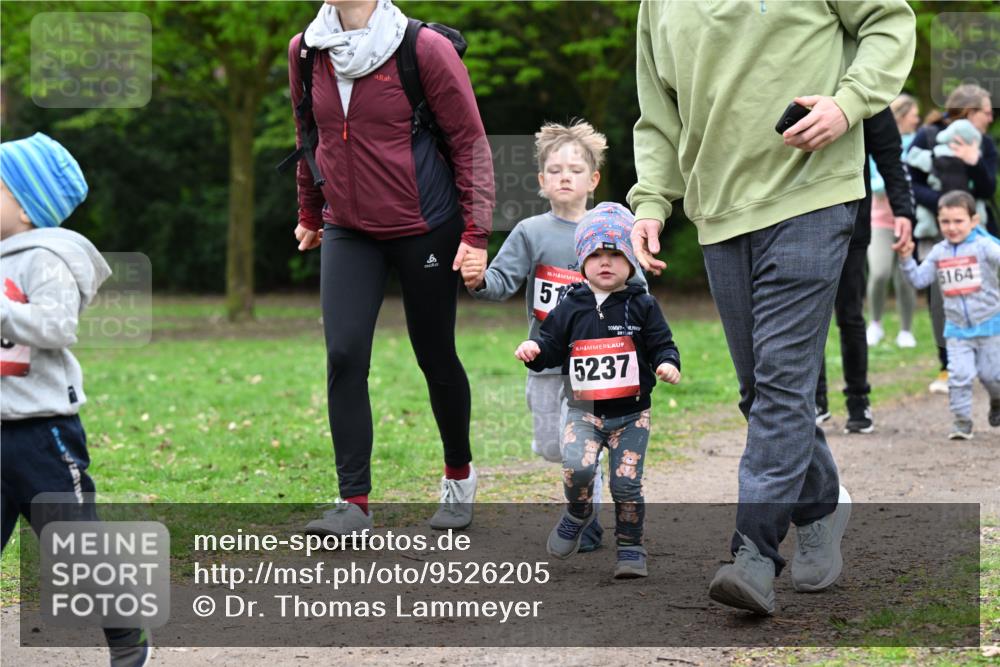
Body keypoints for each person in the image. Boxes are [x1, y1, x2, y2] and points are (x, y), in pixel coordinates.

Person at [628, 0, 915, 614]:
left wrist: (848, 101)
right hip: (719, 211)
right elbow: (658, 114)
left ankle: (752, 554)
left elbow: (890, 21)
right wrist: (651, 200)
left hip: (811, 190)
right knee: (760, 391)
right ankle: (820, 505)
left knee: (782, 385)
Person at [289, 0, 495, 534]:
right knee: (344, 352)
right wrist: (310, 211)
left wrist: (476, 234)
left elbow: (470, 142)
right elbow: (308, 134)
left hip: (425, 225)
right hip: (348, 228)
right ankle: (353, 502)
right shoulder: (307, 50)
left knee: (434, 354)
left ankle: (458, 476)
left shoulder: (422, 49)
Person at [0, 133, 150, 666]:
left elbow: (58, 326)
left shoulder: (48, 258)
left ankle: (127, 639)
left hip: (43, 433)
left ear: (23, 206)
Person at [462, 120, 647, 552]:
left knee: (579, 449)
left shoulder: (611, 230)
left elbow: (637, 288)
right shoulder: (531, 231)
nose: (566, 176)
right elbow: (501, 281)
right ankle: (583, 486)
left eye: (576, 169)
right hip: (545, 359)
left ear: (593, 179)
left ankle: (589, 519)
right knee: (551, 446)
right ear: (542, 180)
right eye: (556, 169)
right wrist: (477, 280)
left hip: (597, 364)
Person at [514, 202, 680, 579]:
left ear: (632, 262)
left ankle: (630, 546)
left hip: (632, 415)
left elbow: (663, 344)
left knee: (626, 484)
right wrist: (534, 353)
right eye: (596, 254)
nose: (606, 262)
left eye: (616, 254)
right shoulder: (570, 304)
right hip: (583, 411)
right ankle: (578, 512)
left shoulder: (643, 305)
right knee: (577, 468)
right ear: (582, 259)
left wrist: (668, 363)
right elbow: (551, 346)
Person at [815, 106, 915, 433]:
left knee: (850, 314)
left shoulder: (865, 96)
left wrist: (904, 211)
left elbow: (890, 157)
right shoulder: (794, 78)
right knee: (806, 316)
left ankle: (858, 400)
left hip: (851, 222)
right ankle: (814, 400)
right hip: (798, 223)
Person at [909, 84, 996, 395]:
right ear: (970, 112)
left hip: (979, 232)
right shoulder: (927, 137)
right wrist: (947, 207)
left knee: (987, 294)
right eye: (986, 113)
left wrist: (976, 160)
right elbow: (912, 184)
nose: (990, 119)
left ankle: (990, 358)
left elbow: (987, 189)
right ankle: (947, 365)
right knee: (940, 301)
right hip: (935, 232)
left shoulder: (984, 143)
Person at [898, 191, 1000, 440]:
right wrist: (905, 258)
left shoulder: (985, 246)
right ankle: (962, 421)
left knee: (992, 375)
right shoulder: (938, 252)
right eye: (946, 222)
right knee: (959, 376)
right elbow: (919, 279)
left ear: (973, 221)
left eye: (958, 221)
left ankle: (997, 401)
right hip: (957, 329)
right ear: (938, 221)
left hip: (990, 324)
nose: (952, 228)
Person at [865, 94, 921, 350]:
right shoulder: (881, 141)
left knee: (905, 276)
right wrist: (885, 184)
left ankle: (906, 330)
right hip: (879, 217)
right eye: (914, 115)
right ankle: (874, 323)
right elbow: (875, 178)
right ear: (901, 116)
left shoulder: (918, 143)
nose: (917, 120)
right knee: (879, 272)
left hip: (909, 217)